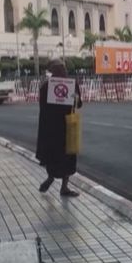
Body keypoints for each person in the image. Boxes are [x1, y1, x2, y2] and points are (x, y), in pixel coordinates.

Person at [36, 59, 83, 197]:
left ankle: (52, 179)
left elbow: (43, 107)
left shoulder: (46, 86)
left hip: (52, 128)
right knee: (66, 156)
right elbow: (79, 104)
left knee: (54, 155)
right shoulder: (70, 84)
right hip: (66, 126)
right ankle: (63, 186)